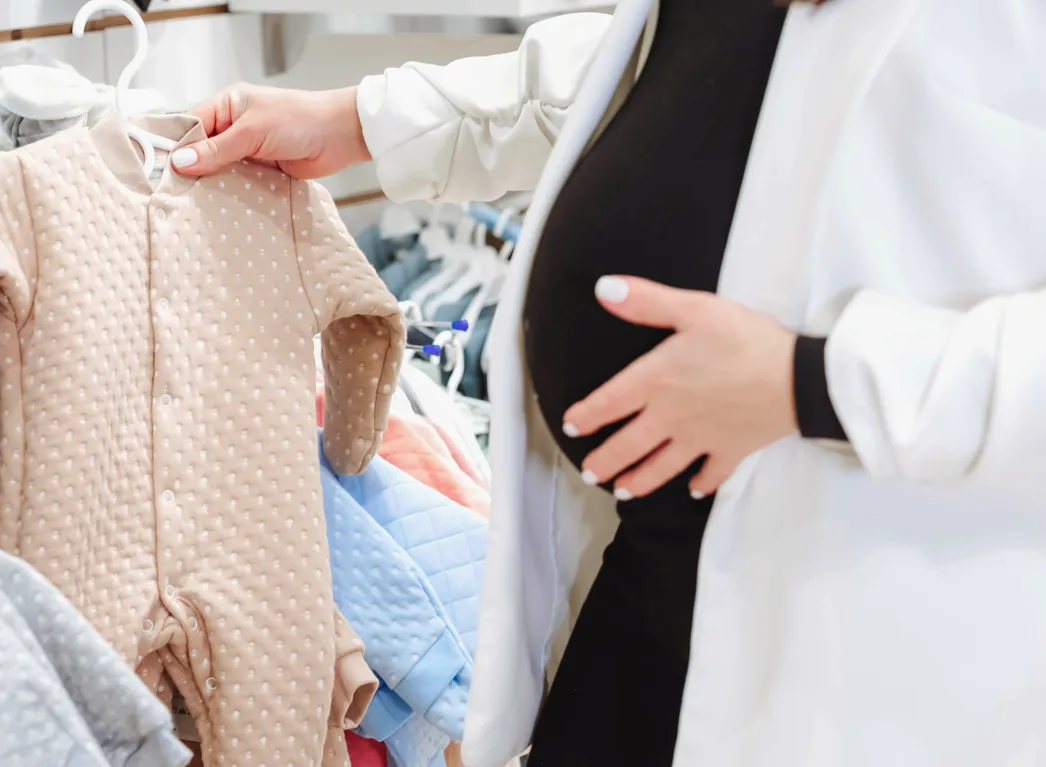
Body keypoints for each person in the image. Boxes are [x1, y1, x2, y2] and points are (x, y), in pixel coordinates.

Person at [173, 1, 1046, 766]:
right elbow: (659, 72)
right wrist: (360, 119)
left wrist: (808, 381)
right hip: (657, 590)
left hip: (879, 635)